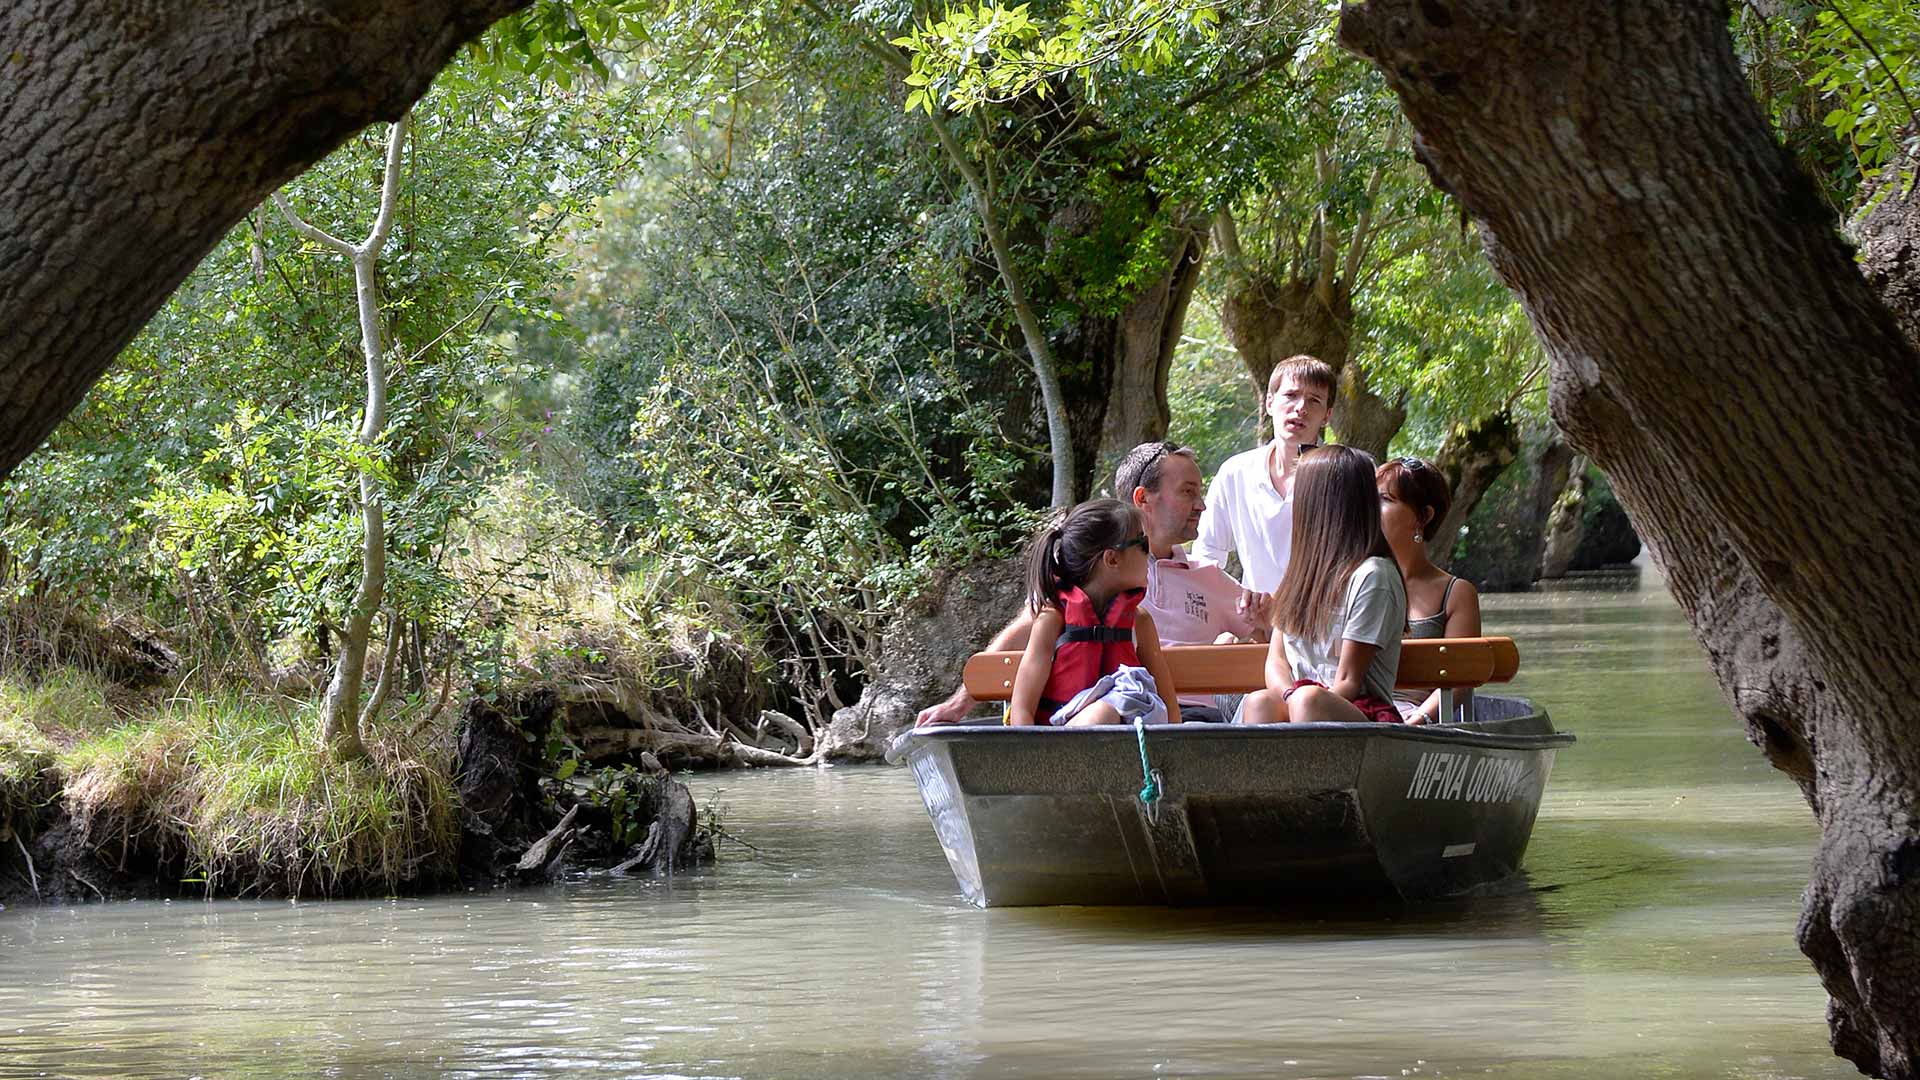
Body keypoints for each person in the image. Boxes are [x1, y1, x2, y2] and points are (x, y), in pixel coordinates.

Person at [915, 441, 1257, 726]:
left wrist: (1257, 628)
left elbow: (1271, 632)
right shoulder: (1080, 583)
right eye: (1188, 492)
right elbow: (1020, 640)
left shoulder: (1207, 577)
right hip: (1085, 715)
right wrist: (958, 706)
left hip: (1176, 719)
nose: (1202, 504)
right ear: (1143, 499)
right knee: (1103, 714)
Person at [1239, 445, 1408, 725]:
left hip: (1363, 714)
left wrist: (1299, 703)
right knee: (1260, 702)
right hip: (1304, 705)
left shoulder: (1373, 575)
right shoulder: (1299, 576)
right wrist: (1289, 697)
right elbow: (1276, 661)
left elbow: (1349, 681)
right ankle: (1268, 770)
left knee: (1309, 700)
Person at [1007, 499, 1181, 727]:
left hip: (1124, 751)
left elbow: (1170, 711)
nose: (1149, 555)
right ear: (1112, 558)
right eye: (1143, 544)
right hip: (1058, 751)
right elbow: (1021, 710)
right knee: (1104, 712)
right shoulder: (1052, 619)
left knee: (1118, 703)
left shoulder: (1140, 623)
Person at [1190, 356, 1337, 603]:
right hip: (1255, 626)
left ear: (1326, 416)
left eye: (1314, 400)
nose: (1301, 407)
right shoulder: (1236, 473)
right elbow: (1207, 552)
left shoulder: (1341, 475)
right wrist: (1231, 610)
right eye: (1291, 395)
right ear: (1269, 403)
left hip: (1322, 624)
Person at [1377, 456, 1482, 724]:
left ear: (1423, 516)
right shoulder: (1351, 581)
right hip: (1356, 714)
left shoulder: (1456, 593)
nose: (1371, 509)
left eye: (1385, 500)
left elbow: (1459, 681)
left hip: (1413, 725)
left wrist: (1417, 721)